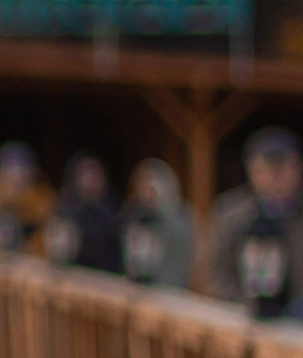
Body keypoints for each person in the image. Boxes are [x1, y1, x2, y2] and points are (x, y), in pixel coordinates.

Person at [210, 126, 303, 318]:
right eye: (269, 168)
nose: (278, 176)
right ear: (252, 170)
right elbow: (216, 272)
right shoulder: (230, 214)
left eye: (285, 167)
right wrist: (245, 306)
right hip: (242, 319)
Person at [0, 140, 53, 255]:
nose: (15, 182)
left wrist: (19, 208)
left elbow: (47, 243)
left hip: (29, 266)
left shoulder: (42, 198)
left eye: (22, 175)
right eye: (9, 174)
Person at [120, 158, 195, 289]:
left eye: (151, 188)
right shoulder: (133, 215)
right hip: (136, 290)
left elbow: (180, 262)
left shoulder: (180, 218)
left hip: (168, 290)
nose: (146, 193)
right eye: (142, 186)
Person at [46, 152, 123, 272]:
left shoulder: (111, 211)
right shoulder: (65, 210)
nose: (91, 182)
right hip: (72, 273)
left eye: (95, 176)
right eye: (87, 176)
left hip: (104, 275)